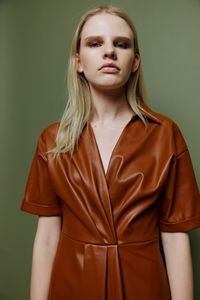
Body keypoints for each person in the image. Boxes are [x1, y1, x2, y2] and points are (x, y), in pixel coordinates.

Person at [20, 5, 200, 300]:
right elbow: (47, 238)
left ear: (135, 62)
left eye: (121, 44)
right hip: (71, 284)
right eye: (95, 43)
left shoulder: (166, 135)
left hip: (145, 284)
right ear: (78, 61)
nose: (109, 52)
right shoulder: (52, 140)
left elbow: (176, 238)